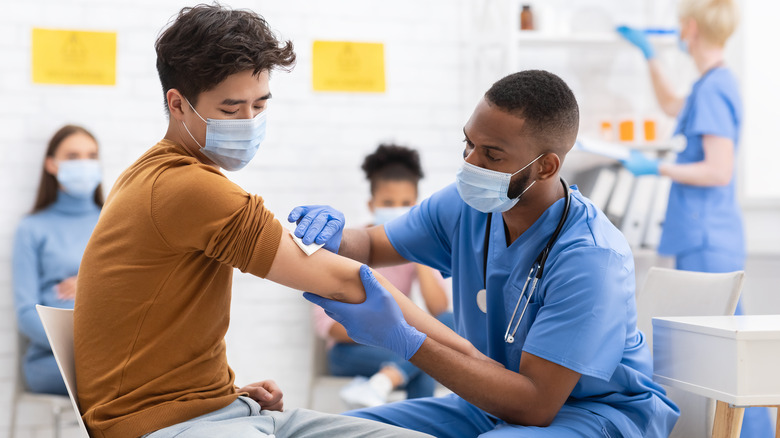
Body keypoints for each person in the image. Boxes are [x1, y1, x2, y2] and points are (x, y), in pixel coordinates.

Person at [71, 5, 486, 438]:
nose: (249, 123)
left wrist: (223, 394)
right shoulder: (187, 188)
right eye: (231, 109)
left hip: (219, 411)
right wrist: (477, 367)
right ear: (178, 104)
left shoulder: (155, 176)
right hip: (159, 428)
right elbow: (346, 281)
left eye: (260, 104)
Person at [295, 70, 680, 437]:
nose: (470, 163)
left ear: (546, 166)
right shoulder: (465, 207)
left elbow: (536, 406)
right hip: (491, 406)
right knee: (342, 432)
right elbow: (373, 245)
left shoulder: (592, 259)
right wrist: (335, 236)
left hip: (593, 415)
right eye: (468, 143)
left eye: (492, 156)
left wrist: (406, 340)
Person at [617, 1, 773, 435]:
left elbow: (718, 169)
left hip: (708, 235)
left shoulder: (715, 88)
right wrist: (649, 54)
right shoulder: (710, 84)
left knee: (722, 355)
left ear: (688, 28)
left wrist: (658, 167)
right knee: (718, 352)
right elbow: (671, 105)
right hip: (701, 233)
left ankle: (750, 432)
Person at [313, 144, 455, 408]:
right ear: (371, 204)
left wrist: (415, 250)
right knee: (424, 358)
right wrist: (388, 332)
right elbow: (327, 327)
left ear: (416, 207)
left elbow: (439, 310)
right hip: (349, 352)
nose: (396, 210)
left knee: (450, 324)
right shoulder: (345, 245)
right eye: (388, 203)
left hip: (395, 345)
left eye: (405, 205)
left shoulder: (414, 249)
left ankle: (382, 383)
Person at [12, 124, 103, 395]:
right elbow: (26, 313)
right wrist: (83, 346)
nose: (84, 164)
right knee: (117, 378)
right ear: (51, 164)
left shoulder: (115, 222)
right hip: (51, 359)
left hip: (111, 351)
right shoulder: (33, 228)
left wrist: (90, 283)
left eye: (91, 155)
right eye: (73, 156)